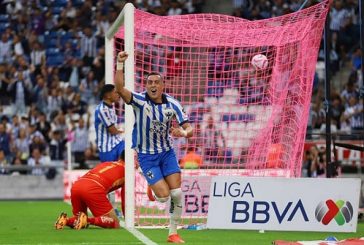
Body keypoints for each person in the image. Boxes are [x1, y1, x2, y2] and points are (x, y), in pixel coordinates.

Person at [115, 51, 193, 244]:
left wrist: (182, 133)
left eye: (156, 82)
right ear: (146, 85)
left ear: (162, 85)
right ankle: (154, 188)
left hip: (167, 153)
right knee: (164, 196)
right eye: (149, 82)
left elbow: (189, 129)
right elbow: (119, 88)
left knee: (177, 193)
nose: (152, 85)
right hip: (146, 156)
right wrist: (119, 64)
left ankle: (172, 234)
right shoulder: (140, 101)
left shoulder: (173, 104)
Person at [54, 151, 126, 230]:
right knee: (115, 223)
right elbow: (126, 198)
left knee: (79, 219)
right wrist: (128, 218)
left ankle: (65, 220)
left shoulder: (109, 163)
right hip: (93, 188)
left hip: (77, 186)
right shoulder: (127, 172)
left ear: (120, 157)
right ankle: (87, 220)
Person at [94, 84, 125, 162]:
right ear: (108, 95)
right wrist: (123, 131)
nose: (118, 94)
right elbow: (112, 130)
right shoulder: (102, 110)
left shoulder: (112, 106)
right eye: (115, 92)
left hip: (118, 143)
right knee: (112, 173)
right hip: (107, 149)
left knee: (129, 155)